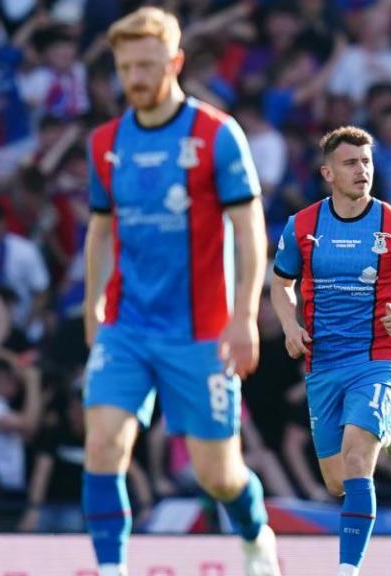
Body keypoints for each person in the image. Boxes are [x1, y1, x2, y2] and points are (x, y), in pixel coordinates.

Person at [81, 8, 278, 576]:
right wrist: (94, 303)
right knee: (102, 446)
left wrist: (244, 316)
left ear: (175, 62)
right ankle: (110, 569)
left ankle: (253, 532)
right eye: (125, 67)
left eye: (146, 65)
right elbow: (99, 229)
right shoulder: (103, 144)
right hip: (127, 326)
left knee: (217, 475)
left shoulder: (216, 135)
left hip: (202, 332)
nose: (135, 78)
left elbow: (249, 227)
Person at [271, 126, 391, 576]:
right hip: (323, 362)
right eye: (350, 163)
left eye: (366, 162)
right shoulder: (302, 226)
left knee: (359, 460)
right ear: (328, 172)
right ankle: (388, 426)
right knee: (337, 480)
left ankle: (348, 570)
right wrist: (289, 325)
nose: (362, 170)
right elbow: (280, 284)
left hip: (377, 359)